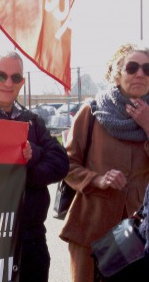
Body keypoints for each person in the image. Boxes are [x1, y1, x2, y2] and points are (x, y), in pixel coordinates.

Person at [0, 49, 69, 282]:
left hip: (30, 240)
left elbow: (60, 162)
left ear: (22, 83)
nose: (8, 83)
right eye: (1, 75)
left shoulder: (32, 120)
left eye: (15, 77)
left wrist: (32, 157)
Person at [59, 43, 149, 282]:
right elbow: (66, 164)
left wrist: (148, 126)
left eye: (147, 69)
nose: (140, 73)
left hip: (139, 233)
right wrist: (97, 179)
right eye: (132, 67)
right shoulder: (92, 112)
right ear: (118, 74)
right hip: (91, 226)